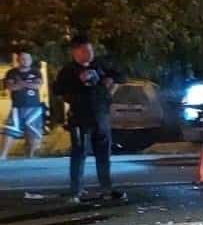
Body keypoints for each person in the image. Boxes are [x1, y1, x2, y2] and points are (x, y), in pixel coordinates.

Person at [53, 37, 126, 203]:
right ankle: (75, 191)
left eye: (91, 50)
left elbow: (121, 75)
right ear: (76, 52)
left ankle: (106, 189)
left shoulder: (99, 66)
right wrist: (75, 92)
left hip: (101, 116)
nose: (89, 54)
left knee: (103, 154)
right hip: (80, 118)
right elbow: (58, 90)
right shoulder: (69, 70)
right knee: (79, 154)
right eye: (85, 50)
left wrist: (110, 83)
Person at [3, 51, 46, 160]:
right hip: (17, 107)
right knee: (9, 130)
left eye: (28, 59)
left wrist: (20, 83)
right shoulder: (11, 72)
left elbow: (37, 86)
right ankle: (3, 156)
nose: (25, 61)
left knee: (33, 132)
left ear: (31, 60)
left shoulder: (36, 72)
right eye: (22, 58)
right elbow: (11, 87)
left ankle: (30, 156)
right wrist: (28, 84)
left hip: (34, 107)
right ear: (18, 60)